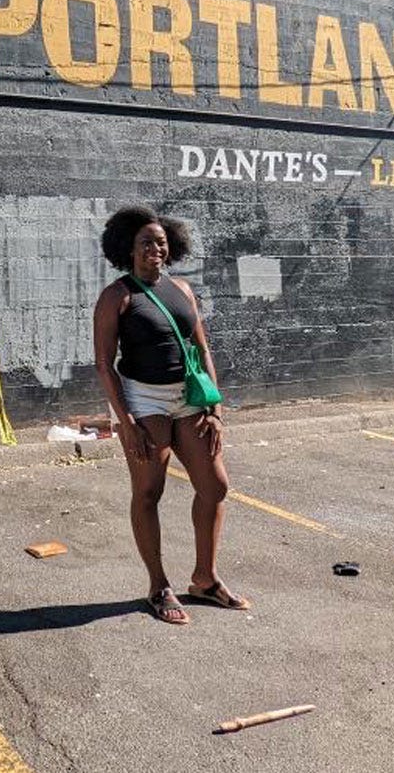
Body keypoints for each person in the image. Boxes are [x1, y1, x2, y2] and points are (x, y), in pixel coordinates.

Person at [92, 205, 248, 625]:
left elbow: (202, 349)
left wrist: (215, 408)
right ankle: (158, 585)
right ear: (128, 248)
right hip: (144, 402)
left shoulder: (181, 288)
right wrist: (126, 422)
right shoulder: (117, 296)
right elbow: (105, 364)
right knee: (148, 492)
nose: (154, 249)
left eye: (161, 242)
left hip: (190, 399)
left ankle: (205, 578)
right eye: (146, 242)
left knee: (215, 486)